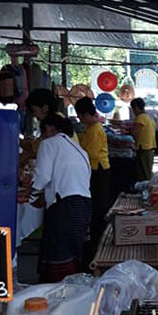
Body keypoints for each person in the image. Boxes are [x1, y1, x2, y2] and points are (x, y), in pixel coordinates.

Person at [30, 113, 91, 282]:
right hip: (83, 206)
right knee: (73, 254)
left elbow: (42, 177)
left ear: (49, 129)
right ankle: (70, 294)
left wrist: (32, 193)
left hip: (65, 206)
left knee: (58, 256)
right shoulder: (79, 149)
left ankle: (55, 295)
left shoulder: (49, 144)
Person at [74, 97, 111, 261]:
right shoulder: (89, 128)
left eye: (81, 116)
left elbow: (92, 153)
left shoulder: (95, 129)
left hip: (99, 170)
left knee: (99, 206)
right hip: (93, 170)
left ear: (86, 114)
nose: (80, 120)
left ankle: (100, 240)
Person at [127, 97, 156, 181]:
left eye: (133, 109)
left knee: (143, 172)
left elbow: (136, 133)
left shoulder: (141, 118)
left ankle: (144, 190)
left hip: (143, 148)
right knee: (147, 171)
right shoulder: (149, 118)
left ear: (136, 107)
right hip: (149, 147)